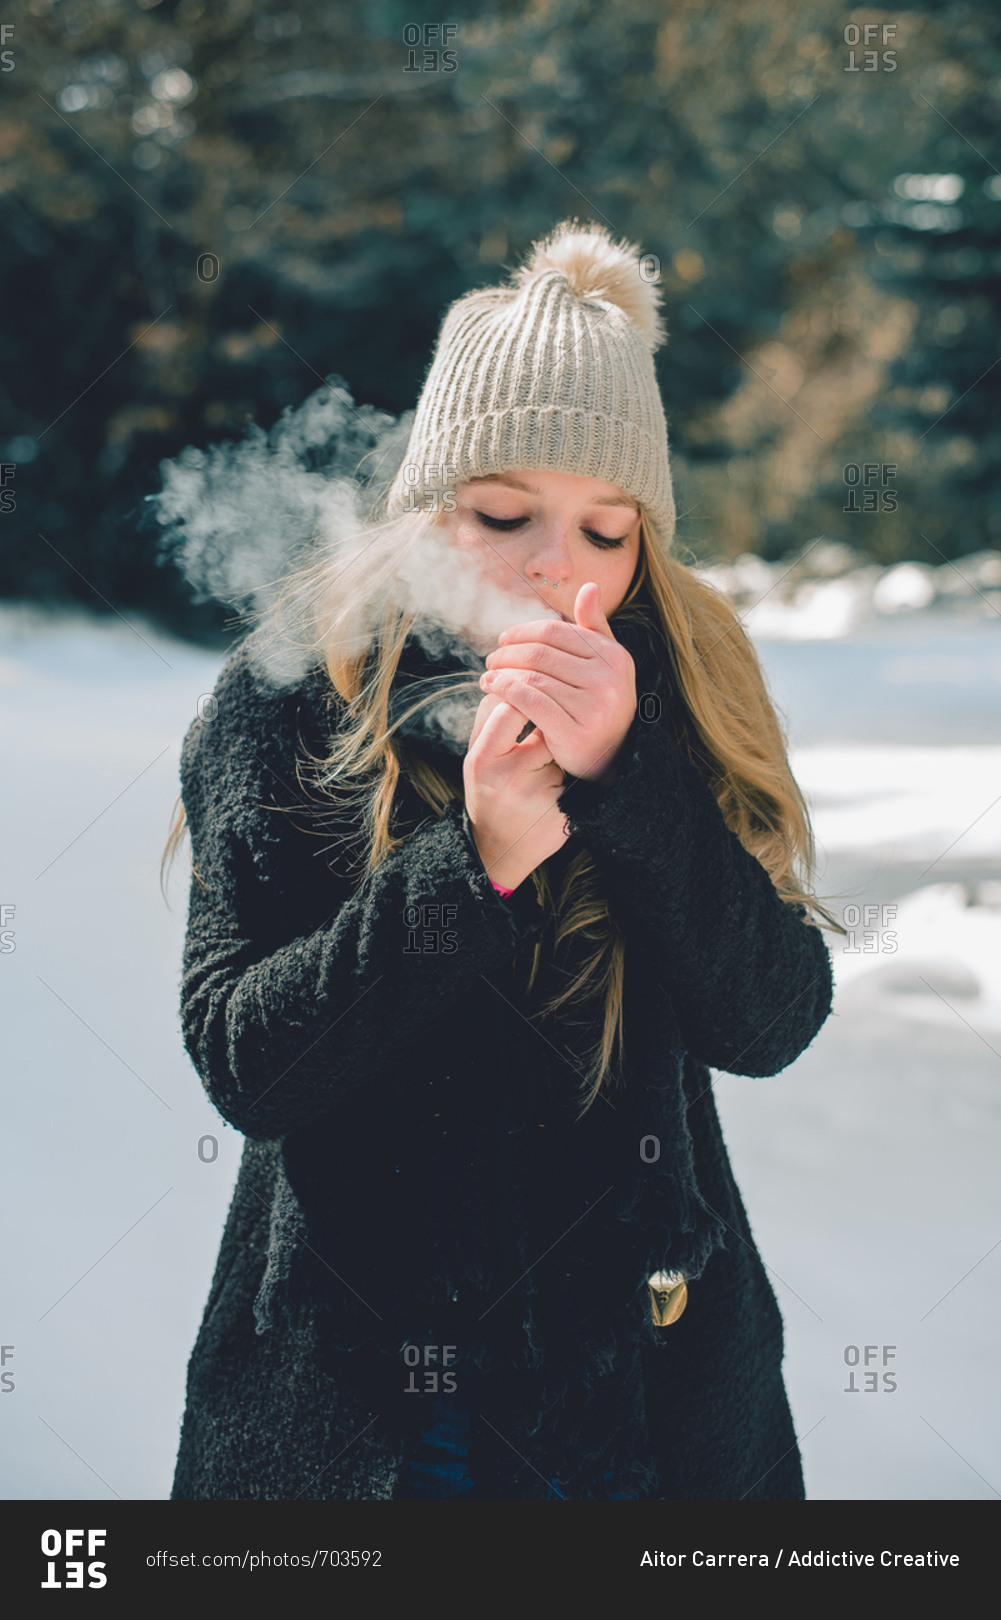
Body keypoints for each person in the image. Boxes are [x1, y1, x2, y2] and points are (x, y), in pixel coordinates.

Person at [162, 217, 839, 1501]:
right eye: (503, 511)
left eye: (607, 530)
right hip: (363, 1410)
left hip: (644, 1392)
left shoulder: (677, 696)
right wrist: (470, 868)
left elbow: (767, 1017)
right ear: (425, 509)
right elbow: (248, 1061)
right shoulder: (291, 696)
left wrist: (630, 787)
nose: (556, 565)